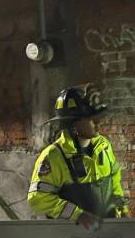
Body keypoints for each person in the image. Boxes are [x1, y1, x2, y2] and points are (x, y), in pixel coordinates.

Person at [28, 84, 128, 230]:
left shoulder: (104, 146)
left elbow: (114, 182)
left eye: (98, 117)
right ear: (72, 123)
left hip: (107, 232)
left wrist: (122, 210)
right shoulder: (54, 156)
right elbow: (37, 199)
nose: (98, 122)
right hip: (72, 236)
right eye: (91, 119)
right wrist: (77, 215)